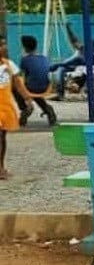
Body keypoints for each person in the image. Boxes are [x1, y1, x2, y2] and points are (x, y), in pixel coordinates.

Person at [17, 35, 58, 127]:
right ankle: (47, 109)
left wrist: (26, 96)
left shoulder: (24, 60)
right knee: (34, 89)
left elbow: (21, 76)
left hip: (32, 88)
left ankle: (25, 108)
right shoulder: (44, 58)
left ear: (24, 48)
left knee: (16, 87)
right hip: (45, 87)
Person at [0, 39, 25, 178]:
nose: (4, 47)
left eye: (4, 44)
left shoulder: (9, 65)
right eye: (1, 45)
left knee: (2, 137)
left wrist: (27, 99)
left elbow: (18, 85)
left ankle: (1, 166)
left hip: (5, 107)